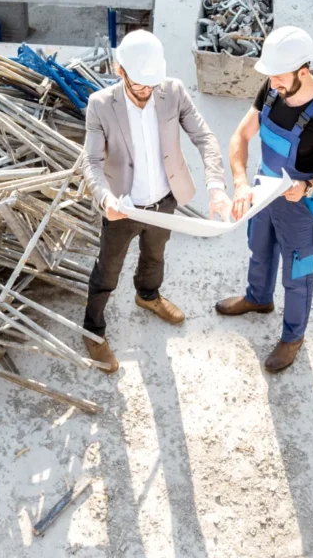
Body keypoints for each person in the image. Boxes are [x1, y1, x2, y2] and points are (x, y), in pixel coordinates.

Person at [82, 29, 231, 373]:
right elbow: (90, 161)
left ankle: (147, 296)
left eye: (151, 85)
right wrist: (105, 198)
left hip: (164, 201)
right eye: (138, 85)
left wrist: (216, 185)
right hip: (123, 206)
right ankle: (92, 328)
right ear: (121, 72)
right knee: (108, 269)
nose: (146, 93)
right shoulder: (101, 105)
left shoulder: (172, 92)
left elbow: (204, 137)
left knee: (155, 255)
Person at [216, 26, 313, 373]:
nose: (273, 85)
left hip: (299, 204)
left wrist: (309, 188)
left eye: (279, 78)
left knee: (298, 274)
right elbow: (240, 136)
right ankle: (257, 299)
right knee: (259, 250)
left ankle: (293, 337)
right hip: (263, 192)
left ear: (303, 72)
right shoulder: (272, 87)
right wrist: (240, 182)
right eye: (271, 78)